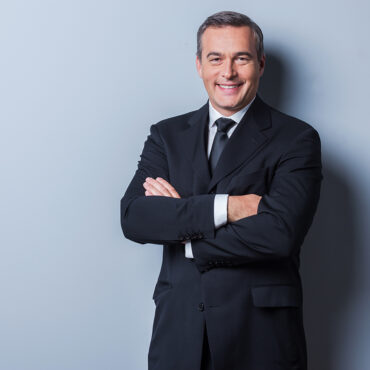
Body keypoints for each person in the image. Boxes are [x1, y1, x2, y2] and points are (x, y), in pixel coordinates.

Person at [120, 10, 322, 370]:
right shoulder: (166, 136)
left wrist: (182, 232)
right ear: (199, 65)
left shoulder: (297, 139)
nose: (227, 72)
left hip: (261, 339)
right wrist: (229, 207)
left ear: (260, 64)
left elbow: (280, 235)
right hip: (178, 334)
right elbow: (134, 218)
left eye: (241, 58)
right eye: (216, 59)